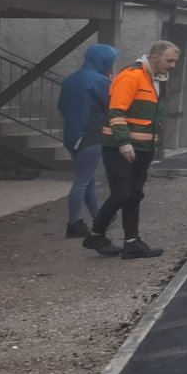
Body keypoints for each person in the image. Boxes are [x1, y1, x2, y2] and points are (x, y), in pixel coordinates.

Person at [83, 40, 179, 259]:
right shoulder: (131, 75)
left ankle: (132, 242)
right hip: (120, 146)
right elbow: (116, 110)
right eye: (169, 60)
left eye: (174, 61)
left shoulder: (157, 79)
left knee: (134, 194)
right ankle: (96, 234)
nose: (172, 65)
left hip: (144, 146)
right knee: (121, 193)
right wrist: (124, 142)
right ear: (154, 57)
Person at [56, 43, 119, 238]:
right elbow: (112, 106)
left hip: (71, 135)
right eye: (111, 61)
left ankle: (98, 218)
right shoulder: (100, 81)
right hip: (91, 135)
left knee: (88, 179)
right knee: (83, 181)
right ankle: (74, 223)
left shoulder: (70, 80)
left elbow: (61, 106)